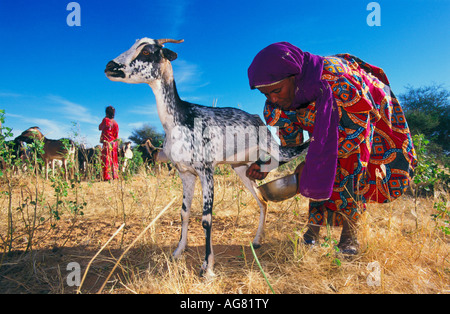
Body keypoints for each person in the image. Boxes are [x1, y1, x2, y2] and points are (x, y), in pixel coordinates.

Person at [246, 42, 417, 254]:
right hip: (328, 131)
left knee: (350, 166)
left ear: (294, 76)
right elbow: (292, 144)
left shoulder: (340, 82)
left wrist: (311, 163)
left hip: (363, 116)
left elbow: (355, 133)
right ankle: (313, 230)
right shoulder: (279, 103)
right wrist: (267, 164)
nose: (273, 99)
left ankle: (349, 234)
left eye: (276, 91)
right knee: (318, 165)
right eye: (265, 95)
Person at [99, 105, 119, 181]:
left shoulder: (105, 120)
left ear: (106, 112)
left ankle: (107, 176)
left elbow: (100, 127)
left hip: (107, 142)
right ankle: (115, 175)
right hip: (114, 143)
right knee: (114, 159)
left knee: (106, 159)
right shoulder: (115, 123)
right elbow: (116, 135)